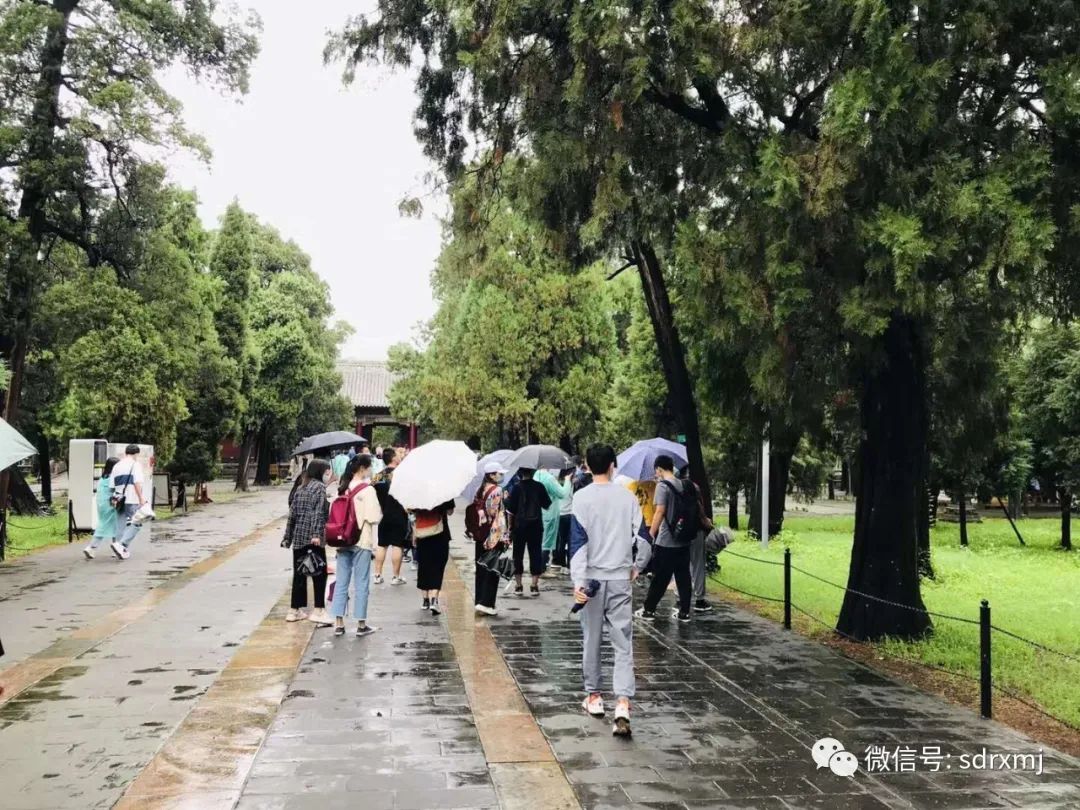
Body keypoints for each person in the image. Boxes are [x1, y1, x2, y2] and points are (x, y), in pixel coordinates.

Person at [570, 444, 649, 737]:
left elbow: (577, 544)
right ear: (612, 465)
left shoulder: (581, 497)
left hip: (591, 580)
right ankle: (623, 703)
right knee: (622, 641)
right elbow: (644, 538)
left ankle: (594, 697)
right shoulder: (627, 497)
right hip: (619, 579)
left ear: (588, 466)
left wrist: (578, 583)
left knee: (591, 638)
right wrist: (637, 566)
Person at [636, 455, 694, 622]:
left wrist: (651, 533)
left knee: (660, 577)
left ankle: (649, 610)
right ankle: (684, 613)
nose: (656, 474)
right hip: (683, 538)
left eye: (656, 471)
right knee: (683, 577)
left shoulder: (662, 486)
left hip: (666, 540)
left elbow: (660, 512)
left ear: (659, 469)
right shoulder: (684, 484)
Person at [330, 454, 382, 637]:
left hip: (342, 539)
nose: (371, 470)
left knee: (341, 582)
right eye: (369, 467)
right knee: (361, 583)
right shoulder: (368, 490)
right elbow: (374, 517)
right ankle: (361, 624)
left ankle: (338, 623)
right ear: (362, 469)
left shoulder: (342, 488)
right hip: (361, 540)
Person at [282, 458, 333, 625]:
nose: (328, 474)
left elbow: (292, 515)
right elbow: (318, 512)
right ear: (320, 471)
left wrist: (287, 537)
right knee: (319, 573)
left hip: (299, 537)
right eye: (327, 471)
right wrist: (317, 534)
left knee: (299, 574)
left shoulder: (301, 487)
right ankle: (319, 610)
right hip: (313, 538)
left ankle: (294, 610)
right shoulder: (319, 488)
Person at [505, 467, 551, 596]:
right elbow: (547, 505)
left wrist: (510, 528)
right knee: (536, 553)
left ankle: (518, 586)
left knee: (517, 555)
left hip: (519, 527)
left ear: (520, 473)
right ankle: (534, 585)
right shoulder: (539, 486)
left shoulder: (516, 487)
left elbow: (510, 511)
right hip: (536, 526)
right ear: (532, 472)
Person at [471, 462, 508, 615]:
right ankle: (487, 603)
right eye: (499, 473)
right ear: (492, 475)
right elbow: (496, 514)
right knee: (492, 568)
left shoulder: (479, 490)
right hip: (493, 535)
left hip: (480, 534)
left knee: (481, 568)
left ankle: (479, 600)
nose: (501, 476)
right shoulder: (497, 491)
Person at [372, 448, 408, 585]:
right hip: (399, 514)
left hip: (385, 514)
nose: (400, 456)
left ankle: (377, 575)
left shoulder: (378, 476)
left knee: (382, 544)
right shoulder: (401, 475)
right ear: (393, 458)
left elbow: (371, 489)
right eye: (398, 455)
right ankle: (395, 576)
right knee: (397, 545)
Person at [682, 467, 716, 613]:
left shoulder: (671, 487)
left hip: (679, 533)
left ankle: (680, 597)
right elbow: (700, 510)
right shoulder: (694, 487)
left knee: (681, 566)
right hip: (696, 531)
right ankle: (699, 600)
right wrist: (707, 522)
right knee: (698, 565)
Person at [413, 499, 455, 615]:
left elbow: (413, 513)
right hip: (440, 533)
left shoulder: (417, 492)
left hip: (422, 533)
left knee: (424, 565)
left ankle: (425, 600)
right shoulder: (443, 492)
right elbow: (450, 511)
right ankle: (434, 599)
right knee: (438, 565)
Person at [109, 445, 149, 560]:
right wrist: (141, 498)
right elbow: (137, 482)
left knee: (120, 524)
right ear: (136, 454)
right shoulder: (135, 464)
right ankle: (122, 545)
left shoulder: (117, 465)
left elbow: (111, 486)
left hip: (118, 499)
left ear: (126, 453)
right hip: (131, 498)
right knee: (137, 522)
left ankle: (117, 547)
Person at [534, 468, 571, 575]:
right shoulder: (549, 478)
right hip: (550, 513)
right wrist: (567, 480)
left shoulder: (536, 475)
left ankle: (539, 567)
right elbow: (563, 494)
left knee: (540, 542)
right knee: (546, 543)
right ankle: (541, 569)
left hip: (539, 512)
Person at [83, 457, 120, 559]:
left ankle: (117, 547)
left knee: (114, 525)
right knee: (104, 526)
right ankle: (91, 547)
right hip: (110, 505)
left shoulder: (103, 477)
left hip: (102, 505)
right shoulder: (112, 478)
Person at [553, 466, 576, 569]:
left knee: (561, 540)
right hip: (570, 514)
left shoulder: (557, 484)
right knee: (570, 540)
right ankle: (569, 564)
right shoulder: (571, 485)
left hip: (560, 514)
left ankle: (560, 562)